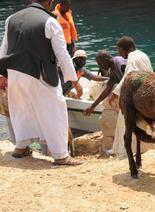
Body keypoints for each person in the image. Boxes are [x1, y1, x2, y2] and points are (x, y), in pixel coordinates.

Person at [0, 0, 82, 165]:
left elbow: (4, 48)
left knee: (21, 107)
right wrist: (75, 81)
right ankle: (60, 155)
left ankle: (21, 147)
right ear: (50, 2)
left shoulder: (11, 19)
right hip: (39, 74)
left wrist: (2, 75)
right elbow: (63, 55)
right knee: (56, 109)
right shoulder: (51, 22)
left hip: (14, 73)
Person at [107, 36, 155, 156]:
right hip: (148, 92)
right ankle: (146, 147)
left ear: (127, 48)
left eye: (120, 50)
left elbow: (129, 75)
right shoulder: (142, 54)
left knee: (124, 120)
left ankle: (124, 150)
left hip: (137, 94)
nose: (119, 54)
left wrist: (115, 93)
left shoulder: (132, 56)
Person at [83, 50, 127, 115]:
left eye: (100, 64)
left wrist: (115, 94)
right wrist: (92, 106)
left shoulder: (121, 65)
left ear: (107, 60)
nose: (100, 67)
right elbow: (107, 90)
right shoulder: (113, 69)